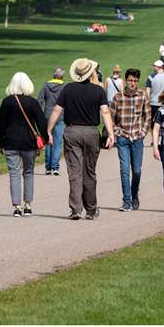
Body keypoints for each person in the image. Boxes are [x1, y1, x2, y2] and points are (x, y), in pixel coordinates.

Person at [47, 58, 112, 221]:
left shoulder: (68, 88)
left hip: (73, 131)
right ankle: (91, 209)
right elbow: (105, 112)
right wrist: (111, 133)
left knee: (74, 172)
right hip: (91, 132)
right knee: (89, 171)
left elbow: (56, 110)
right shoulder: (98, 91)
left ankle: (76, 209)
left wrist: (48, 129)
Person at [0, 73, 49, 217]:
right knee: (28, 172)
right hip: (29, 142)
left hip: (10, 142)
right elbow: (42, 123)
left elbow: (0, 125)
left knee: (14, 174)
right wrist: (45, 139)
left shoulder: (7, 102)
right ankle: (28, 205)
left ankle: (17, 206)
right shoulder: (32, 102)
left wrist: (1, 143)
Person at [111, 68, 152, 212]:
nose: (132, 83)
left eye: (135, 81)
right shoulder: (118, 97)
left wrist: (143, 132)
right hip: (123, 137)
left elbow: (148, 117)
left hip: (137, 138)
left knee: (137, 171)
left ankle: (135, 194)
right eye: (130, 80)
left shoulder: (143, 96)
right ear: (126, 80)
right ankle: (126, 201)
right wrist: (116, 131)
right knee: (124, 170)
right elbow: (110, 118)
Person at [37, 67, 66, 174]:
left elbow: (39, 101)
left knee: (48, 141)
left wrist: (40, 115)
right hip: (60, 116)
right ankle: (55, 167)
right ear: (61, 76)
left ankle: (48, 167)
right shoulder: (64, 87)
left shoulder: (46, 86)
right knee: (58, 142)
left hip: (47, 116)